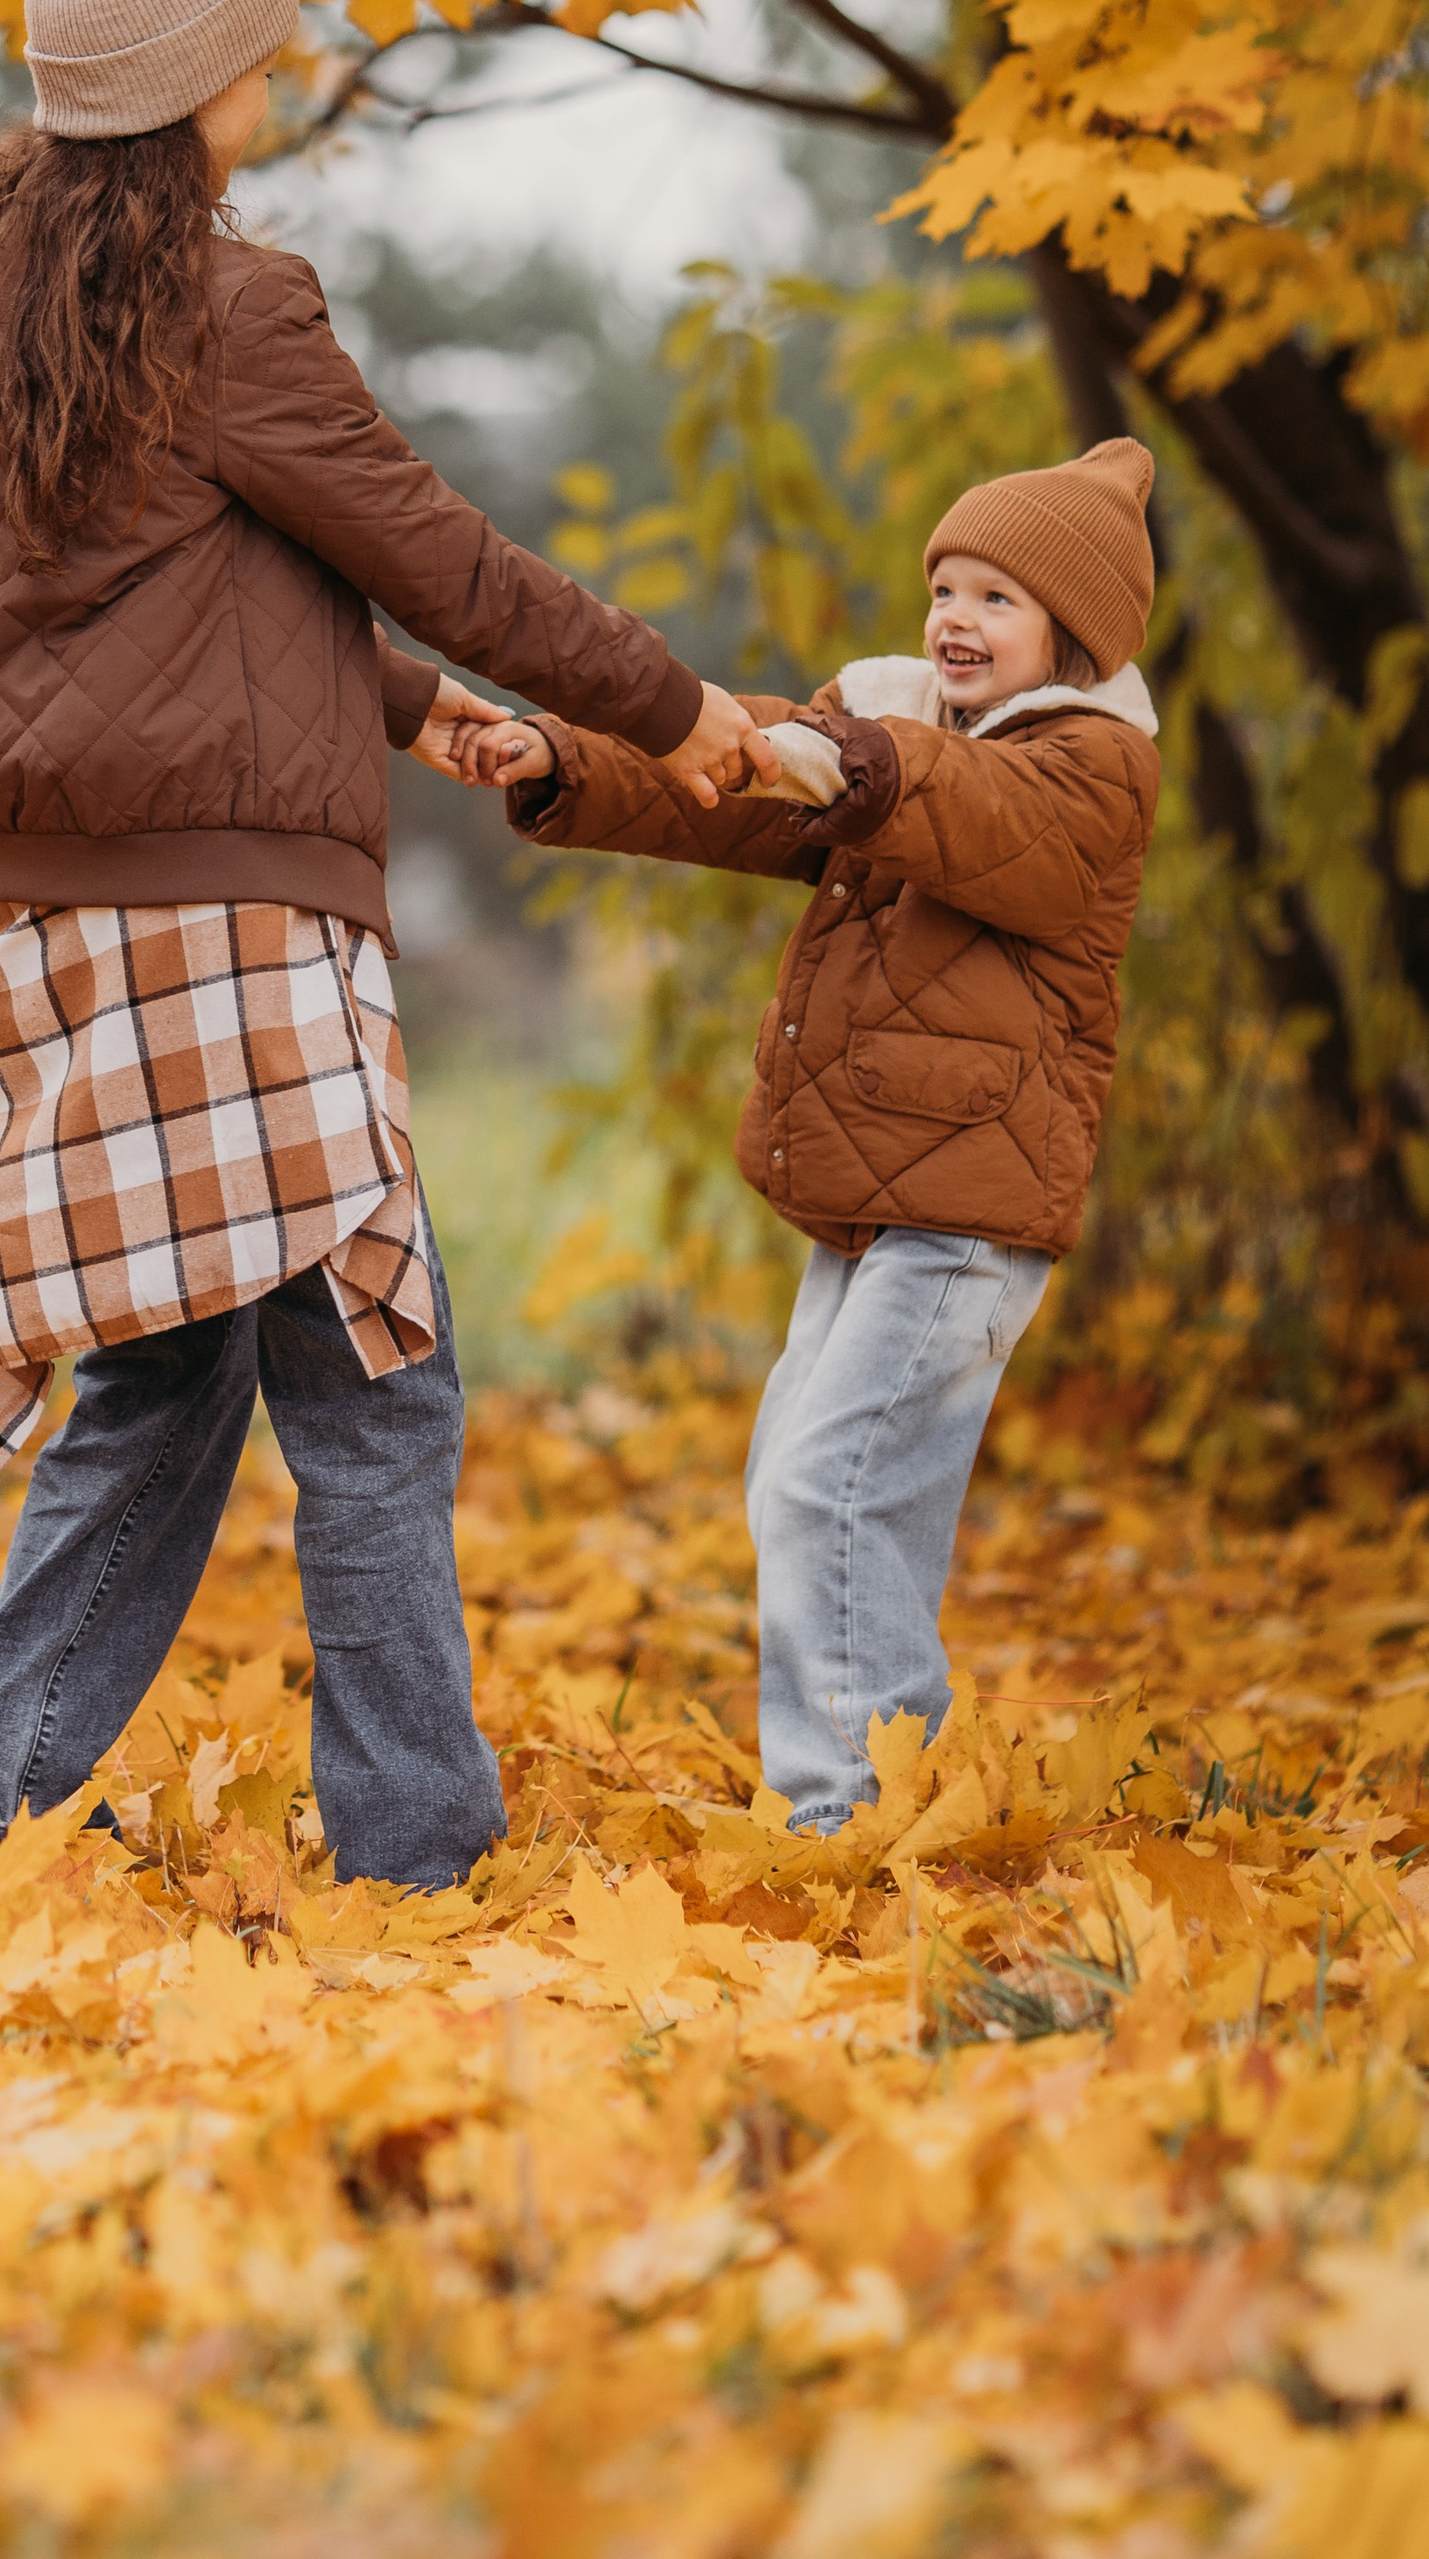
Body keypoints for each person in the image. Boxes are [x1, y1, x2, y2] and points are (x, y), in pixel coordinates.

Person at [0, 0, 774, 1891]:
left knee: (167, 1391)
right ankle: (418, 1855)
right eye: (256, 59)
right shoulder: (220, 305)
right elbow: (429, 546)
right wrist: (674, 707)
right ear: (189, 88)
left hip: (52, 936)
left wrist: (390, 704)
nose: (277, 91)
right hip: (234, 945)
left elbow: (137, 603)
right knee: (372, 1379)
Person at [438, 441, 1162, 1836]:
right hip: (884, 1199)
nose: (954, 615)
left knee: (835, 1483)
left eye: (999, 599)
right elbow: (733, 781)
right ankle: (875, 1787)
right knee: (802, 1482)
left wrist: (853, 762)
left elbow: (979, 823)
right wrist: (574, 760)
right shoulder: (897, 739)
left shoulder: (1089, 773)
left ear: (1075, 637)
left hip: (972, 1220)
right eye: (947, 585)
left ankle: (849, 1816)